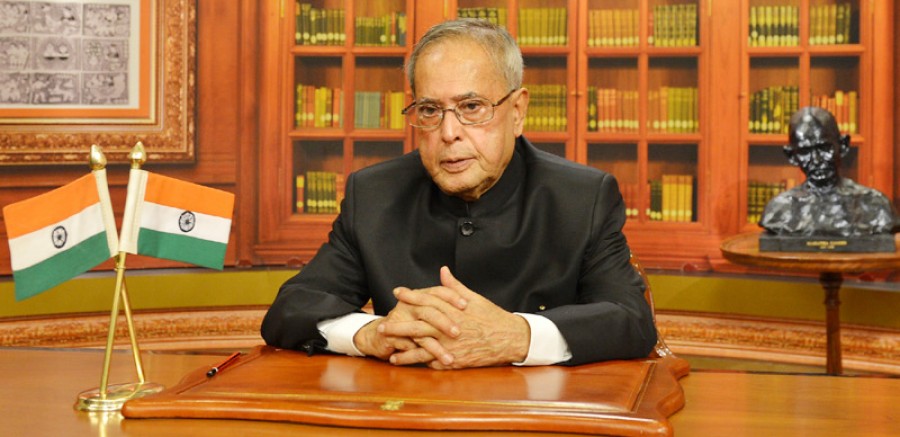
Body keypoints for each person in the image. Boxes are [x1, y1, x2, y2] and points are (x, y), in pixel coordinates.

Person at [261, 19, 657, 369]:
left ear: (517, 111)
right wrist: (372, 334)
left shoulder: (582, 197)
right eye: (430, 110)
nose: (449, 133)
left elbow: (632, 320)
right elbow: (291, 308)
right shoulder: (374, 194)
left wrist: (517, 336)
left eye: (471, 106)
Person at [760, 107, 895, 237]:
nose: (816, 160)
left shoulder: (876, 205)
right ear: (792, 156)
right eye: (805, 152)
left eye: (824, 148)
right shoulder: (778, 210)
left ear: (843, 146)